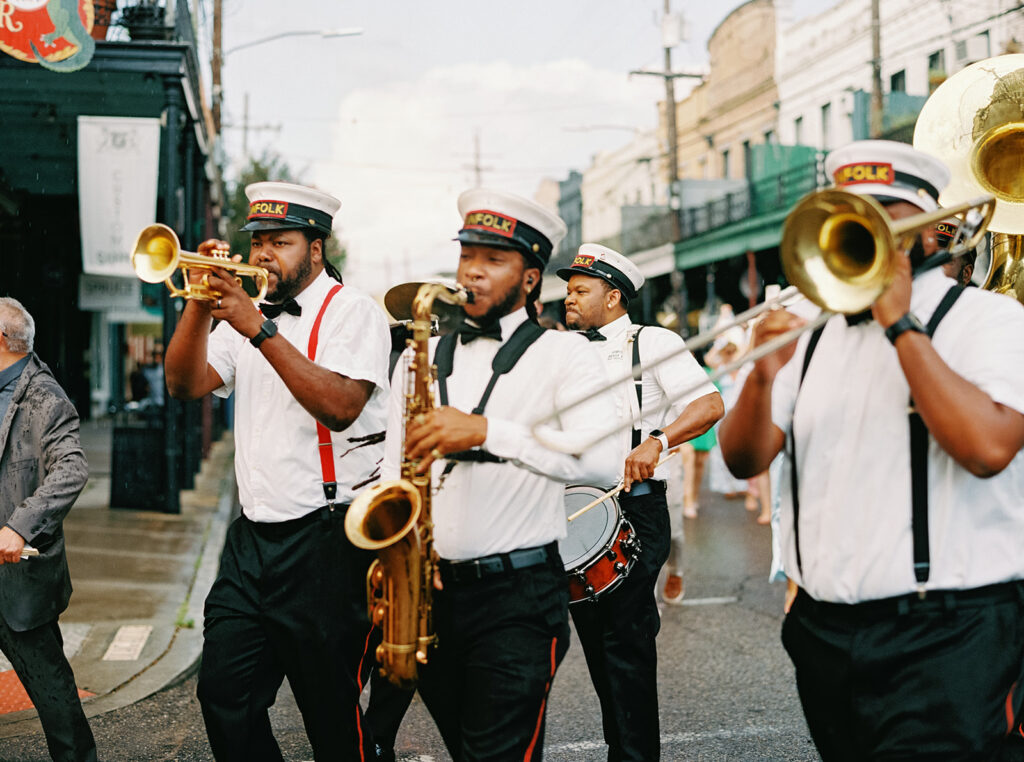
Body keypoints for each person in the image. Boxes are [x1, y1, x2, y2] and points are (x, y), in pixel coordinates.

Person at [718, 140, 1024, 761]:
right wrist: (762, 375)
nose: (865, 229)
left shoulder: (992, 322)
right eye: (848, 212)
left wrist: (900, 324)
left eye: (885, 211)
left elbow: (988, 448)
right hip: (824, 633)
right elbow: (743, 459)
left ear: (932, 229)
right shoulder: (809, 331)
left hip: (948, 637)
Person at [383, 188, 619, 761]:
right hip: (432, 596)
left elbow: (601, 459)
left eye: (494, 260)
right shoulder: (420, 355)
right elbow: (391, 473)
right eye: (468, 257)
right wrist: (397, 560)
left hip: (518, 599)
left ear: (531, 278)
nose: (474, 272)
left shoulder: (567, 356)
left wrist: (489, 433)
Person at [164, 181, 390, 761]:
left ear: (316, 248)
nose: (263, 255)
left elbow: (339, 406)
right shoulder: (249, 313)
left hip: (326, 541)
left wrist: (258, 329)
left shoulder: (353, 312)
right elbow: (184, 384)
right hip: (251, 543)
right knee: (224, 696)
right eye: (257, 242)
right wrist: (198, 302)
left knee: (330, 716)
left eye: (280, 242)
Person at [559, 244, 723, 758]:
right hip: (575, 515)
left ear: (613, 297)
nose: (569, 297)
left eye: (580, 290)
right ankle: (624, 748)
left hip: (633, 507)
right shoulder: (558, 350)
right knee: (597, 646)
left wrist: (658, 439)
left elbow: (708, 403)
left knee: (625, 643)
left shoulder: (650, 341)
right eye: (568, 289)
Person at [0, 297, 96, 762]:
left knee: (58, 710)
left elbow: (70, 472)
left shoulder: (46, 398)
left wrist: (19, 527)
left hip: (18, 582)